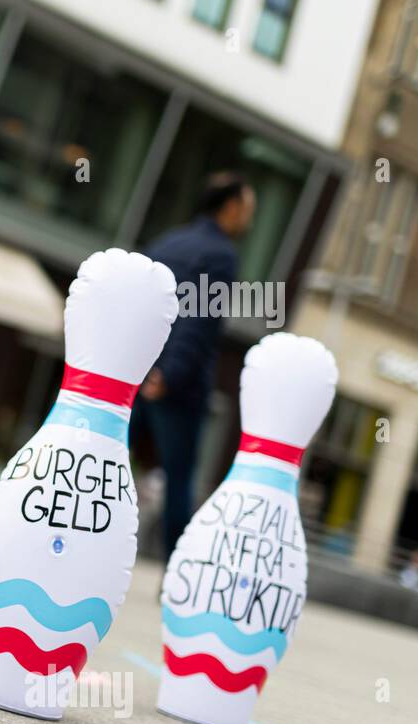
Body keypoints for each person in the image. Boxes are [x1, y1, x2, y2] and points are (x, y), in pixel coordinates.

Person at [135, 172, 256, 558]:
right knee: (180, 479)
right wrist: (169, 374)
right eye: (248, 209)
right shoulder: (220, 255)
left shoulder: (168, 242)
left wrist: (140, 363)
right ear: (231, 207)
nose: (249, 219)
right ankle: (175, 571)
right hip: (176, 386)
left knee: (108, 455)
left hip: (137, 374)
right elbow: (199, 322)